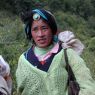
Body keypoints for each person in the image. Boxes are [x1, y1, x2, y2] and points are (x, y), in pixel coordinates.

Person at [16, 9, 95, 95]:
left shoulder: (67, 53)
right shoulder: (24, 60)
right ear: (30, 32)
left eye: (44, 28)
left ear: (52, 29)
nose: (40, 34)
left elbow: (89, 88)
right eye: (35, 29)